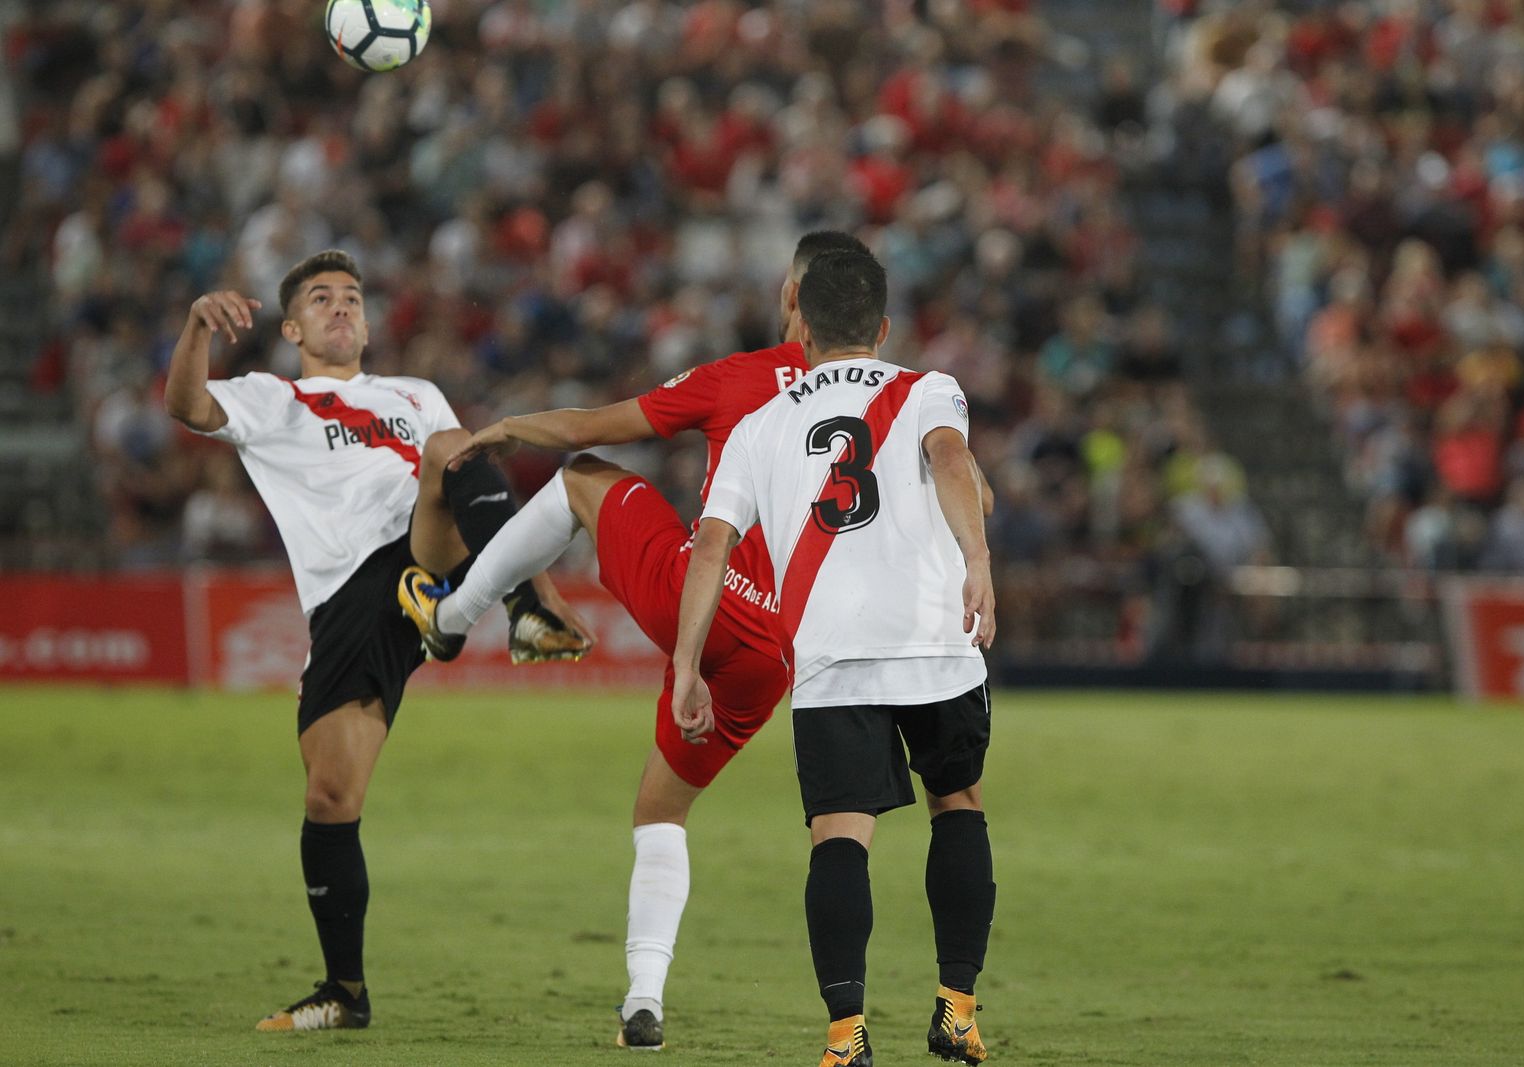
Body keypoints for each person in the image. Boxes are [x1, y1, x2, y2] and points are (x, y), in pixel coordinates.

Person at [396, 231, 884, 1050]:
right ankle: (641, 1003)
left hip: (701, 596)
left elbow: (600, 422)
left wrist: (515, 425)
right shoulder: (898, 400)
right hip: (783, 651)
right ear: (878, 322)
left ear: (794, 301)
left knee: (584, 474)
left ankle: (452, 618)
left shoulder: (746, 376)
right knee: (665, 808)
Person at [162, 249, 589, 1032]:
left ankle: (506, 604)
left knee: (453, 447)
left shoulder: (414, 394)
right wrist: (196, 326)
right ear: (291, 326)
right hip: (349, 595)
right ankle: (345, 990)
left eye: (353, 296)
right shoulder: (273, 398)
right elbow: (188, 406)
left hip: (422, 544)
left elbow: (466, 484)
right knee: (330, 797)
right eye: (321, 298)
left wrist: (542, 588)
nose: (341, 307)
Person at [669, 249, 997, 1067]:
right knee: (956, 802)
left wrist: (683, 664)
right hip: (933, 643)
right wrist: (980, 559)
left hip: (831, 656)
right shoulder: (925, 388)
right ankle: (956, 1010)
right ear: (884, 328)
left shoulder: (758, 426)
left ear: (801, 327)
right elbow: (954, 465)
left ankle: (846, 1037)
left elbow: (711, 544)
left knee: (839, 838)